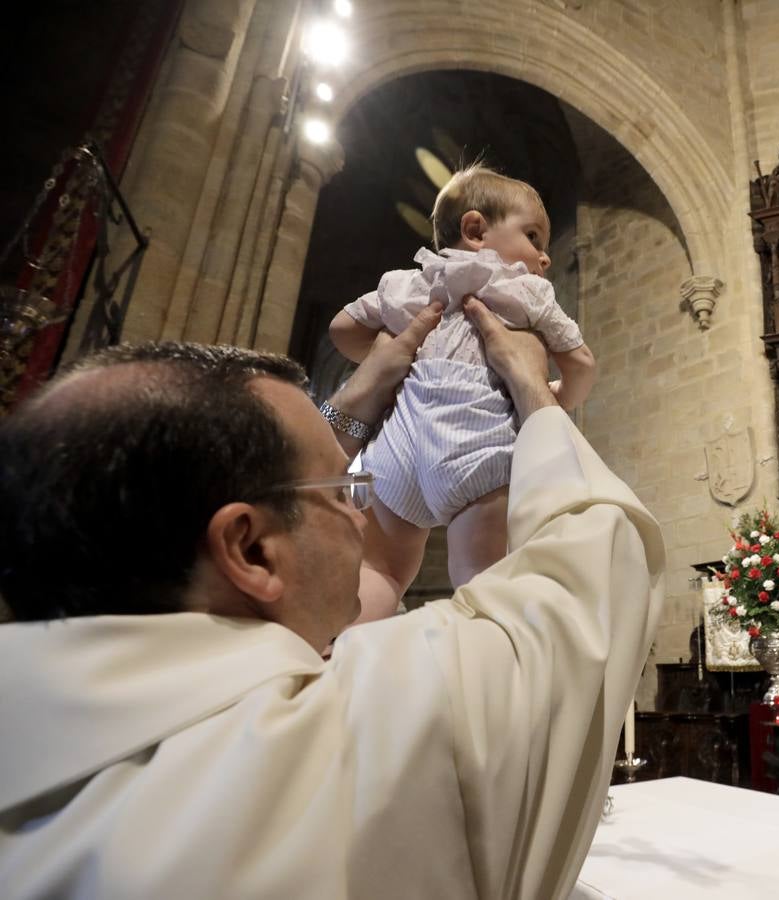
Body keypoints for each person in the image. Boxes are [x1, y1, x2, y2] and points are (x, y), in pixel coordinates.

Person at [0, 300, 664, 899]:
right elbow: (599, 556)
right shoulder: (366, 734)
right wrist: (529, 386)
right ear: (252, 551)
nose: (358, 513)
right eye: (341, 492)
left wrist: (353, 400)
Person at [330, 164, 597, 617]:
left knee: (381, 571)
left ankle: (354, 665)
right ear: (476, 230)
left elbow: (342, 328)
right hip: (476, 441)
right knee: (483, 580)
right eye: (534, 237)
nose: (544, 257)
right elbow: (582, 363)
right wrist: (560, 396)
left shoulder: (406, 282)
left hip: (398, 449)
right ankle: (480, 672)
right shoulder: (525, 289)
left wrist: (393, 355)